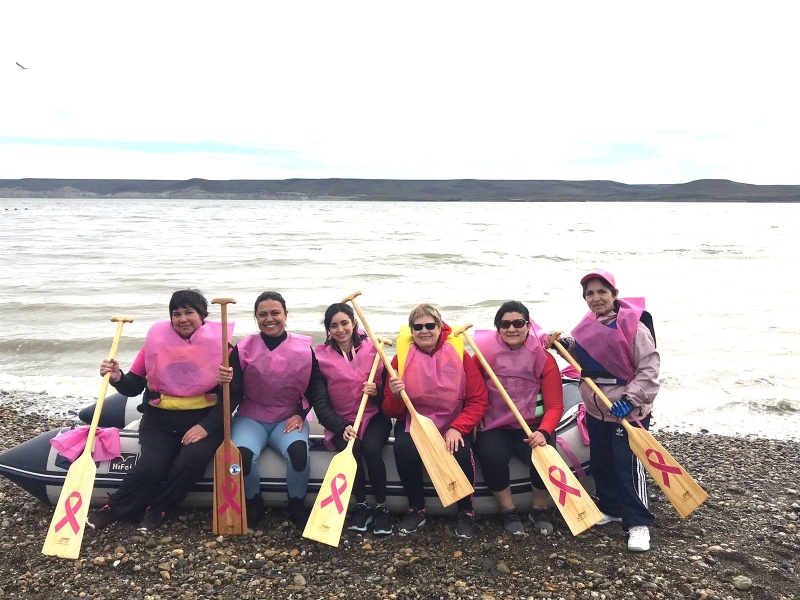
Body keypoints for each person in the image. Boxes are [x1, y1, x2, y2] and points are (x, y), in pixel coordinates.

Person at [87, 289, 231, 532]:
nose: (183, 319)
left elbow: (233, 395)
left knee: (190, 462)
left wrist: (205, 427)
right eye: (176, 314)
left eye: (189, 312)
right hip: (160, 420)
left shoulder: (223, 345)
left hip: (205, 420)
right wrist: (117, 377)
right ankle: (115, 508)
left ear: (203, 315)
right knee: (151, 466)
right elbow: (133, 386)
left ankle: (159, 507)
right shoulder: (155, 344)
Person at [216, 291, 344, 530]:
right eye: (262, 314)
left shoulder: (304, 350)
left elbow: (315, 389)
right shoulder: (243, 348)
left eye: (275, 312)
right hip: (251, 417)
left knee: (298, 452)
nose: (269, 318)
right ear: (256, 318)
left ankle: (296, 504)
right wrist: (223, 379)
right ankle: (254, 503)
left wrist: (301, 413)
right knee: (241, 455)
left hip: (288, 417)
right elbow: (233, 390)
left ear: (286, 315)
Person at [557, 269, 659, 552]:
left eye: (602, 291)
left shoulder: (633, 326)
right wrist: (566, 347)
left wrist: (631, 399)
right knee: (602, 461)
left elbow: (649, 369)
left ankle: (639, 523)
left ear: (615, 294)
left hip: (627, 407)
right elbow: (584, 360)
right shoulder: (588, 325)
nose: (596, 297)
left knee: (628, 464)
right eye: (590, 293)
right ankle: (612, 508)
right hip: (597, 408)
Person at [383, 303, 488, 539]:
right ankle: (416, 509)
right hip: (416, 421)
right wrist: (397, 396)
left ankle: (466, 512)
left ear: (440, 328)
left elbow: (478, 399)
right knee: (403, 448)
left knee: (460, 451)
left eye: (430, 325)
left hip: (453, 420)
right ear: (411, 331)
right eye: (417, 327)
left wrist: (458, 428)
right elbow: (389, 409)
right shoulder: (401, 359)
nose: (424, 331)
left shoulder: (460, 355)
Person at [472, 301, 564, 536]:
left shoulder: (544, 358)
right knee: (492, 454)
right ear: (497, 327)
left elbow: (554, 405)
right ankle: (508, 511)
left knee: (546, 456)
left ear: (527, 325)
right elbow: (470, 391)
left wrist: (544, 432)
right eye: (505, 324)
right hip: (495, 425)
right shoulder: (482, 356)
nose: (511, 329)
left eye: (518, 323)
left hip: (531, 426)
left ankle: (538, 509)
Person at [315, 303, 393, 535]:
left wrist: (376, 392)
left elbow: (389, 394)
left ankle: (381, 506)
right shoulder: (320, 358)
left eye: (344, 323)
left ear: (354, 323)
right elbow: (320, 404)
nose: (340, 330)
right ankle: (361, 505)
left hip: (374, 416)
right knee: (353, 448)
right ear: (328, 330)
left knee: (370, 449)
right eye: (334, 326)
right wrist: (341, 427)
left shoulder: (375, 349)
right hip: (341, 421)